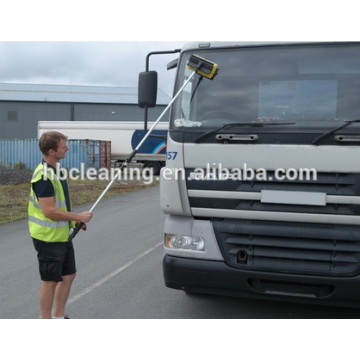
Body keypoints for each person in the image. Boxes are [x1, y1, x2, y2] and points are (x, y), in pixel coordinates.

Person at [28, 131, 93, 319]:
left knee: (68, 275)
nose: (67, 148)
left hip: (61, 234)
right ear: (51, 151)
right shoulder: (44, 177)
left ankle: (59, 317)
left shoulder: (57, 170)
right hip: (48, 238)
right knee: (50, 281)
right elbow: (48, 211)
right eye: (63, 146)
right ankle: (45, 319)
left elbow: (60, 205)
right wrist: (78, 215)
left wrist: (75, 221)